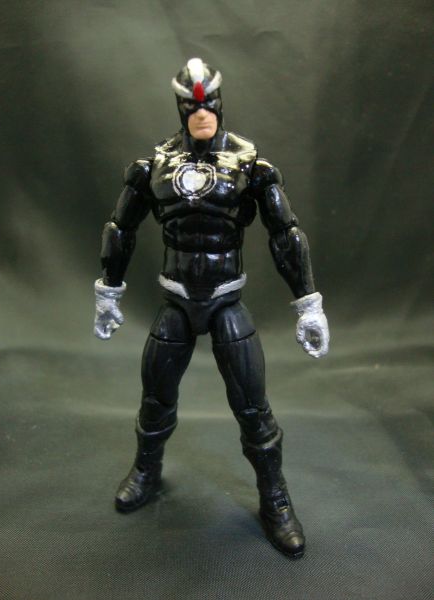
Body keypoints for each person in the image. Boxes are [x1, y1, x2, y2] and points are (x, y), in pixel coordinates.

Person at [94, 58, 329, 558]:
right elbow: (121, 228)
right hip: (176, 300)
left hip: (225, 301)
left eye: (208, 104)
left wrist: (308, 304)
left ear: (220, 103)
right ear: (180, 108)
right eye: (191, 106)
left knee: (253, 408)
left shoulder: (249, 165)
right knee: (155, 397)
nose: (201, 113)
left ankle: (275, 498)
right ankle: (147, 471)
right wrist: (108, 292)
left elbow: (285, 236)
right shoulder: (155, 165)